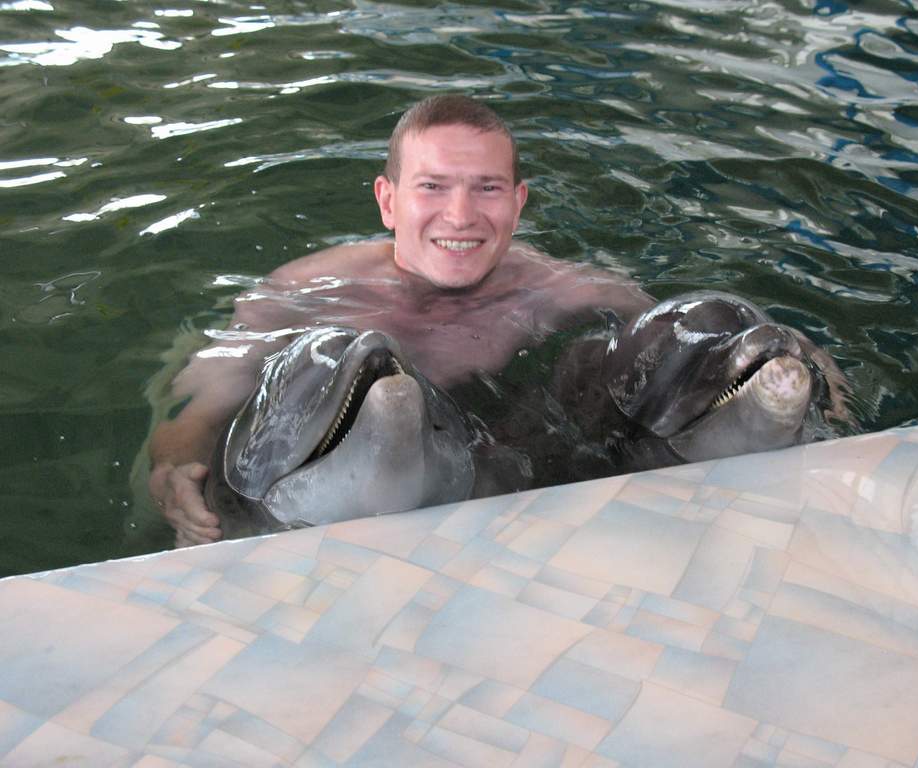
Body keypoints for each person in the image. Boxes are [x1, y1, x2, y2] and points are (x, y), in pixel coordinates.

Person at [149, 94, 654, 547]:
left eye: (487, 187)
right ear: (388, 201)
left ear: (517, 203)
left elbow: (658, 335)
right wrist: (174, 475)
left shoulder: (560, 288)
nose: (461, 215)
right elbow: (195, 411)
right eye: (432, 186)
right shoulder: (300, 292)